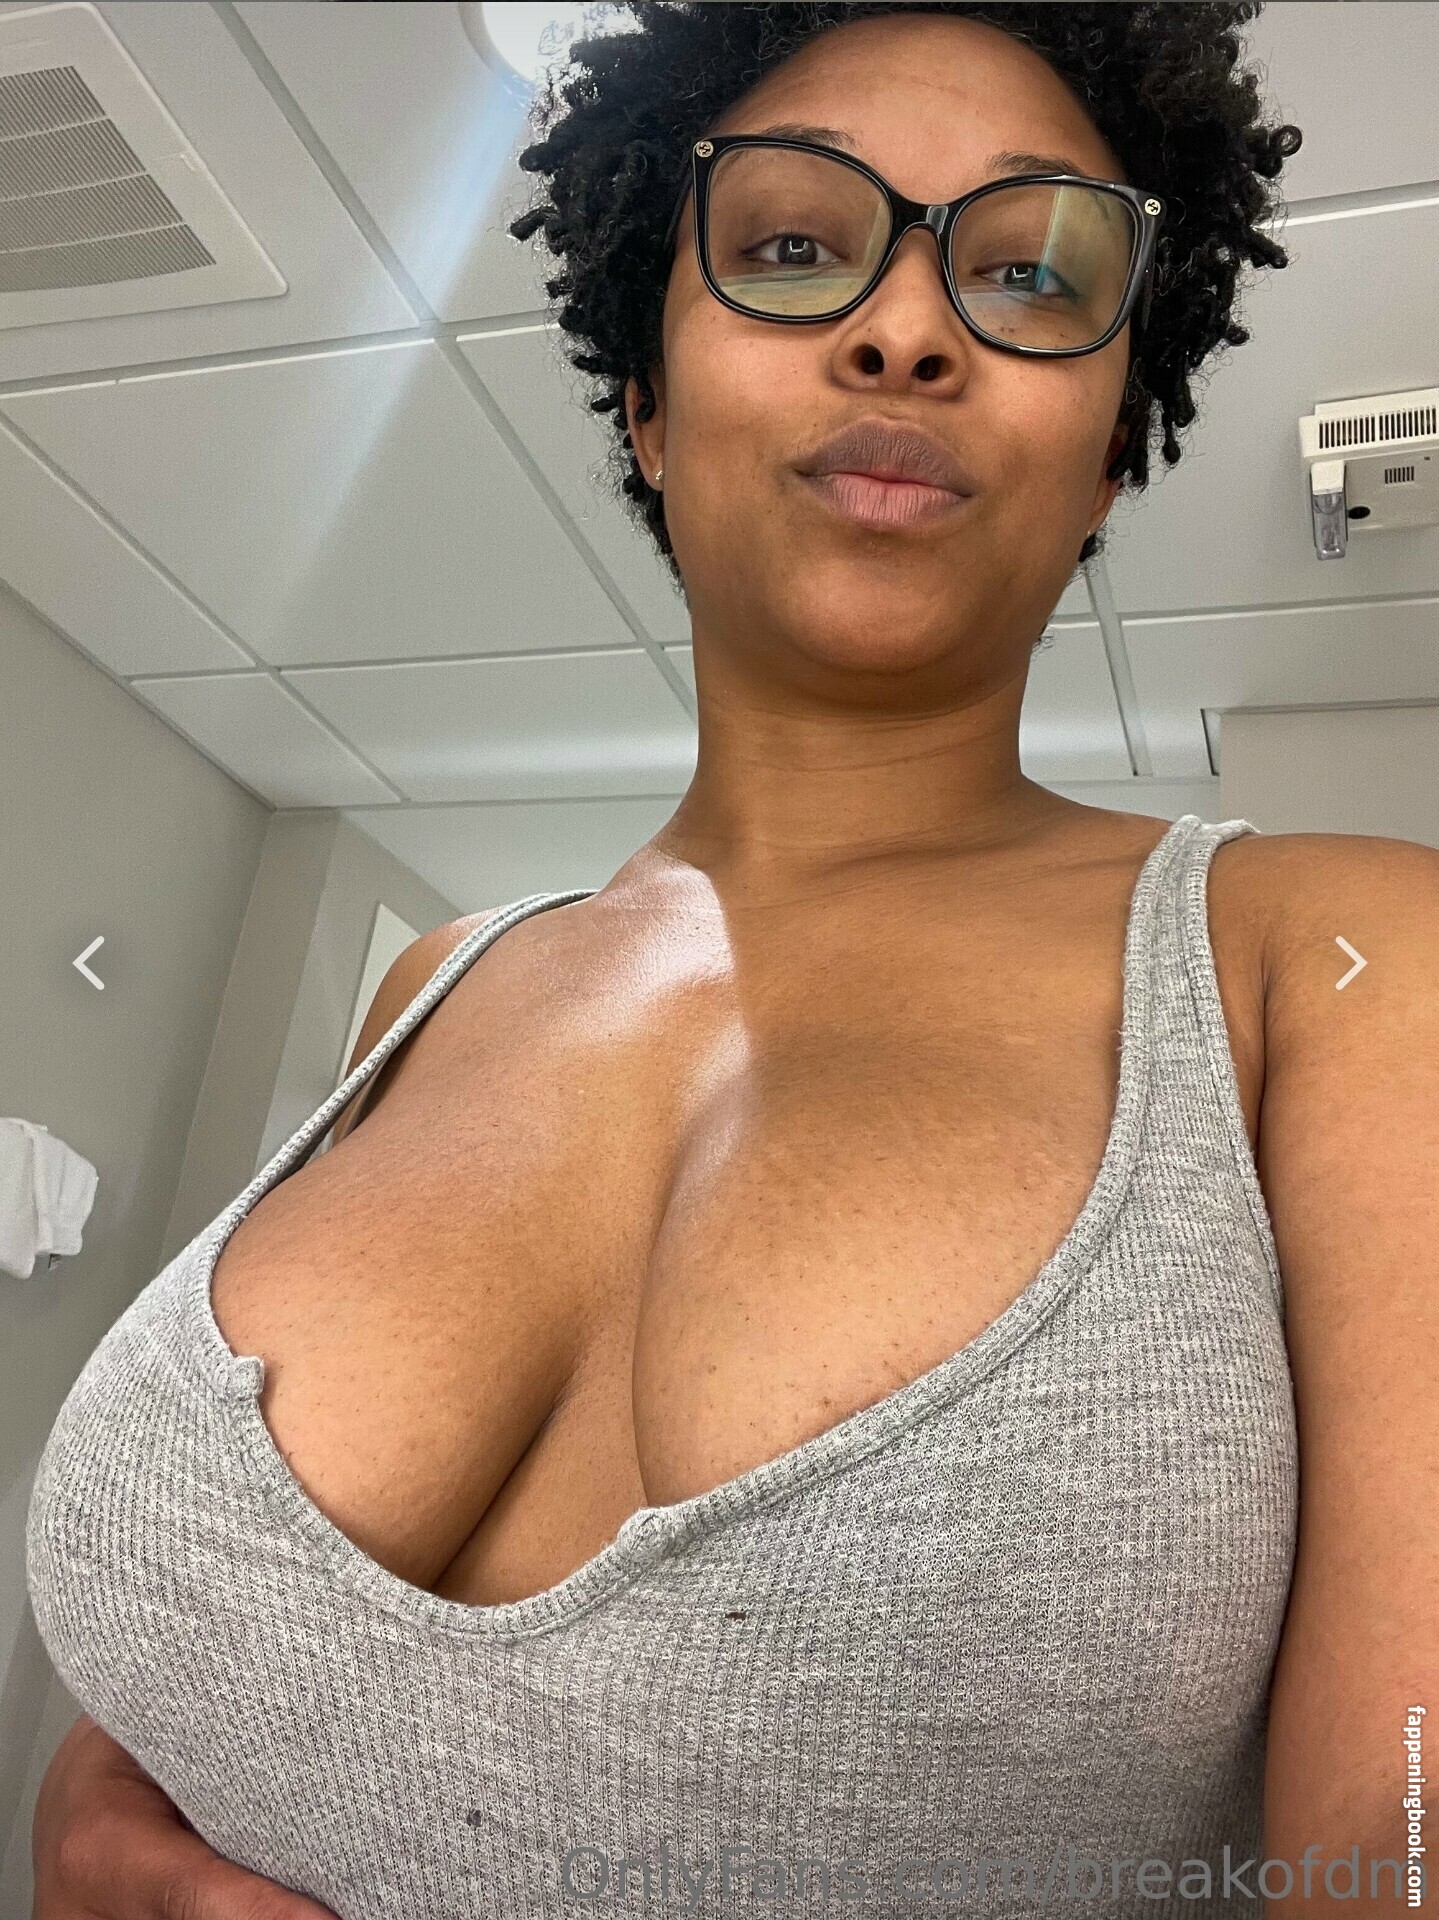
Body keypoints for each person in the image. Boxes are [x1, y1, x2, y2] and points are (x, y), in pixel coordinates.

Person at [28, 4, 1437, 1917]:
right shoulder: (435, 980)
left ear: (1114, 447)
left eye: (1030, 273)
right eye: (790, 244)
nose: (909, 328)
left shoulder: (1342, 963)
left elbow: (1397, 1844)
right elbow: (212, 1668)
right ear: (649, 402)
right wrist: (89, 1809)